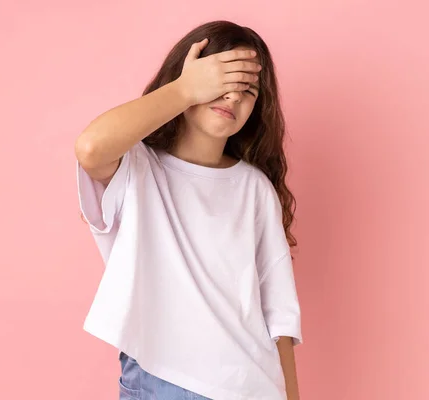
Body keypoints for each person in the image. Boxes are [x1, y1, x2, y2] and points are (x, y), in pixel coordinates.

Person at [74, 20, 303, 400]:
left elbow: (278, 312)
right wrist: (185, 89)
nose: (231, 97)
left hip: (256, 387)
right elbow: (91, 148)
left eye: (247, 90)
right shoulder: (137, 169)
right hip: (162, 379)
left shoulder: (254, 188)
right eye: (219, 81)